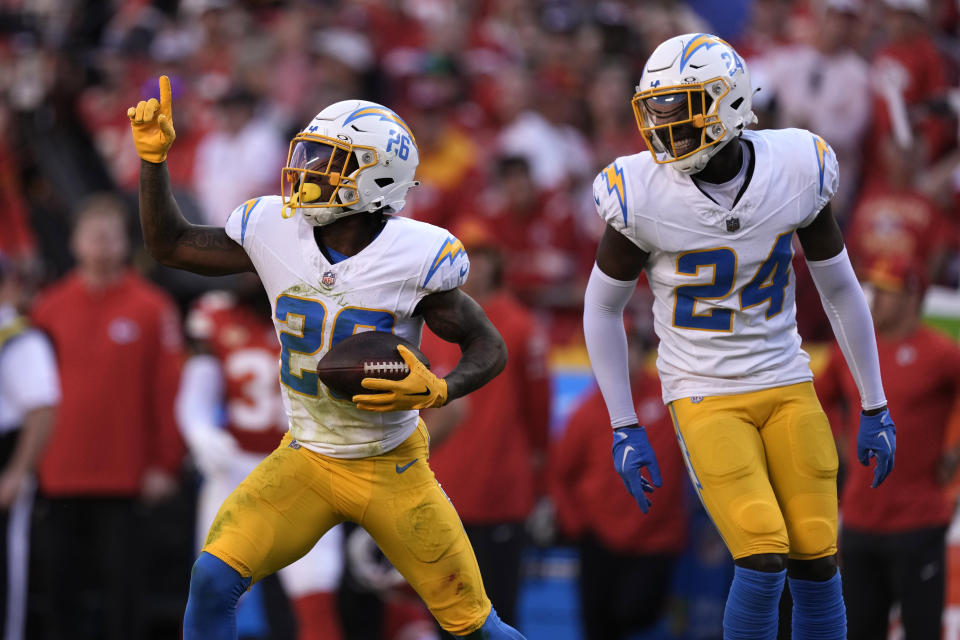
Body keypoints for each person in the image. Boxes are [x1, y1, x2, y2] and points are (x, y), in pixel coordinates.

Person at [127, 76, 525, 640]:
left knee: (473, 625)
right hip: (307, 458)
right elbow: (169, 245)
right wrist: (153, 161)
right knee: (212, 579)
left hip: (392, 467)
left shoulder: (416, 256)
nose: (307, 168)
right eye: (308, 153)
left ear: (378, 178)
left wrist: (441, 389)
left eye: (329, 159)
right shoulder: (274, 228)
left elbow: (489, 346)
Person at [583, 34, 896, 640]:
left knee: (817, 558)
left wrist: (875, 402)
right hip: (703, 390)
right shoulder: (640, 191)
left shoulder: (797, 167)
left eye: (684, 106)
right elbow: (601, 308)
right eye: (660, 108)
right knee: (761, 555)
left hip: (786, 379)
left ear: (727, 103)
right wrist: (623, 424)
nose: (666, 125)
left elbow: (841, 289)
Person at [30, 194, 185, 640]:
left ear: (124, 243)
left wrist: (164, 463)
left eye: (109, 236)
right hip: (60, 473)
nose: (100, 245)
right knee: (61, 589)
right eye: (92, 236)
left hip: (127, 474)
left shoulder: (151, 307)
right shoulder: (49, 307)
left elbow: (169, 391)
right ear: (76, 242)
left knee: (125, 592)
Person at [177, 275, 345, 640]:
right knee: (212, 592)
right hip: (236, 469)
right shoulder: (216, 314)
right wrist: (200, 432)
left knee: (314, 594)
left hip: (304, 468)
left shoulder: (325, 311)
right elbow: (197, 388)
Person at [816, 256, 960, 639]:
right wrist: (839, 437)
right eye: (872, 289)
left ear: (912, 297)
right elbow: (818, 395)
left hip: (919, 520)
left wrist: (954, 446)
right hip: (861, 522)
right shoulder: (853, 347)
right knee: (860, 629)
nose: (872, 299)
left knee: (923, 630)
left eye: (884, 291)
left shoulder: (940, 352)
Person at [419, 221, 551, 630]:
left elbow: (538, 420)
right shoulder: (428, 326)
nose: (472, 267)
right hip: (438, 492)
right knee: (440, 614)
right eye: (462, 257)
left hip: (499, 494)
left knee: (498, 612)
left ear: (497, 263)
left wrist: (542, 490)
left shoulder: (521, 326)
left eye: (480, 256)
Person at [550, 316, 688, 639]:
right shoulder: (586, 413)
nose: (622, 359)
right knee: (598, 625)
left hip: (656, 540)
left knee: (636, 614)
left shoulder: (671, 400)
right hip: (599, 540)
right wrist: (577, 526)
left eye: (628, 348)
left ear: (642, 351)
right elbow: (560, 474)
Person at [0, 254, 59, 640]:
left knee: (5, 571)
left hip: (4, 458)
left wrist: (16, 473)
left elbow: (42, 408)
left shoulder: (20, 338)